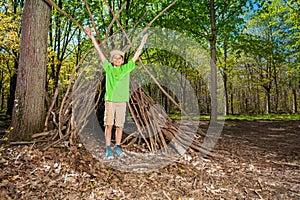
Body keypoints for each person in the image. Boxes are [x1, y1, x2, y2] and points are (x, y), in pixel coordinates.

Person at [84, 27, 148, 158]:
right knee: (109, 125)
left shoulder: (126, 68)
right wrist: (91, 37)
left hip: (122, 101)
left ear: (122, 60)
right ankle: (108, 148)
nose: (117, 60)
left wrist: (142, 43)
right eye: (115, 58)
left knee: (119, 126)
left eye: (119, 59)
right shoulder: (108, 68)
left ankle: (118, 147)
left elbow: (136, 55)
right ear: (112, 60)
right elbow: (99, 52)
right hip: (111, 101)